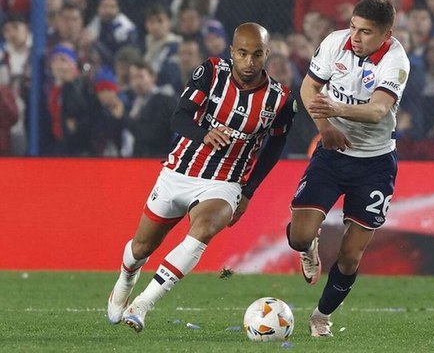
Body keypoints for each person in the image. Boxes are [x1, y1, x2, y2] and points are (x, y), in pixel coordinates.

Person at [107, 22, 296, 332]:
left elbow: (275, 146)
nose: (250, 63)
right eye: (243, 54)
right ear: (232, 52)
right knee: (141, 248)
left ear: (267, 54)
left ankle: (143, 304)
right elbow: (179, 116)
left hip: (226, 180)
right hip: (180, 169)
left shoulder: (281, 100)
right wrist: (204, 134)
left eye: (257, 55)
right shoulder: (210, 71)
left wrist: (248, 192)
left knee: (205, 228)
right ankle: (126, 279)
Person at [285, 0, 410, 337]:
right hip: (333, 152)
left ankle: (321, 316)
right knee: (299, 236)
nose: (355, 37)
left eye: (366, 32)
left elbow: (377, 111)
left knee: (351, 256)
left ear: (386, 34)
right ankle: (308, 247)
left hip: (375, 163)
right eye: (354, 27)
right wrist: (325, 128)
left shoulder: (396, 61)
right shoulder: (333, 44)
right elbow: (309, 88)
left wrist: (336, 111)